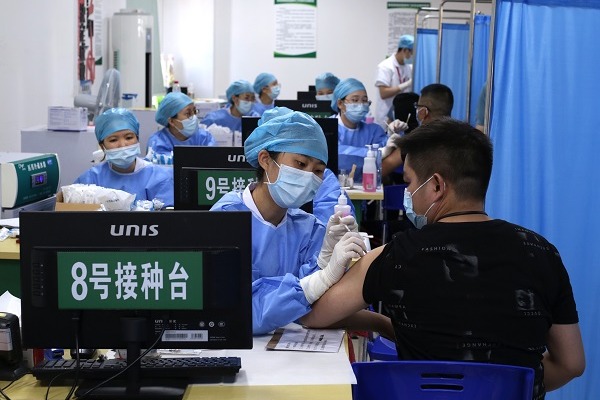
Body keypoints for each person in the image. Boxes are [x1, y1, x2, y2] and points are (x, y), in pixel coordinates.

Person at [301, 118, 585, 400]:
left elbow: (316, 315)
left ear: (436, 185)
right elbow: (571, 364)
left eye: (409, 183)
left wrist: (381, 322)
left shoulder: (396, 255)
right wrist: (507, 387)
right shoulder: (542, 253)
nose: (408, 194)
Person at [210, 108, 378, 335]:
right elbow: (238, 311)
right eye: (300, 164)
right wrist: (322, 277)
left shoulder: (309, 229)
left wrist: (325, 261)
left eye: (318, 170)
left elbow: (316, 306)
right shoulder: (225, 221)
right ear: (265, 160)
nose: (309, 175)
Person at [74, 108, 174, 207]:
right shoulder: (90, 180)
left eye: (129, 137)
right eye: (113, 140)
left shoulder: (160, 178)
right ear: (102, 146)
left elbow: (170, 219)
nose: (123, 144)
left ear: (137, 139)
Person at [382, 83, 454, 177]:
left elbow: (384, 168)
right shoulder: (462, 138)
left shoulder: (416, 140)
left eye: (417, 107)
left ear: (423, 111)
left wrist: (385, 152)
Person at [331, 78, 388, 182]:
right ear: (340, 103)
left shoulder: (373, 131)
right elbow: (335, 152)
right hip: (330, 191)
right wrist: (374, 153)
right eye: (355, 100)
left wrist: (395, 135)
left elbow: (386, 154)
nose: (361, 105)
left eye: (364, 100)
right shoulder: (327, 127)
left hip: (365, 192)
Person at [145, 92, 215, 165]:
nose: (194, 117)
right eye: (188, 113)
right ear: (171, 121)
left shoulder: (204, 137)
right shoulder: (157, 143)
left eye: (194, 111)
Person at [200, 80, 259, 146]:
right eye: (247, 98)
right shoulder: (214, 119)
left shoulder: (253, 117)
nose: (250, 102)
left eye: (253, 98)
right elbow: (201, 140)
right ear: (234, 98)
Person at [374, 34, 414, 129]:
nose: (412, 56)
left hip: (402, 114)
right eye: (411, 53)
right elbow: (383, 93)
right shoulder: (385, 67)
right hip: (386, 116)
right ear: (404, 50)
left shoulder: (408, 67)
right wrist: (405, 85)